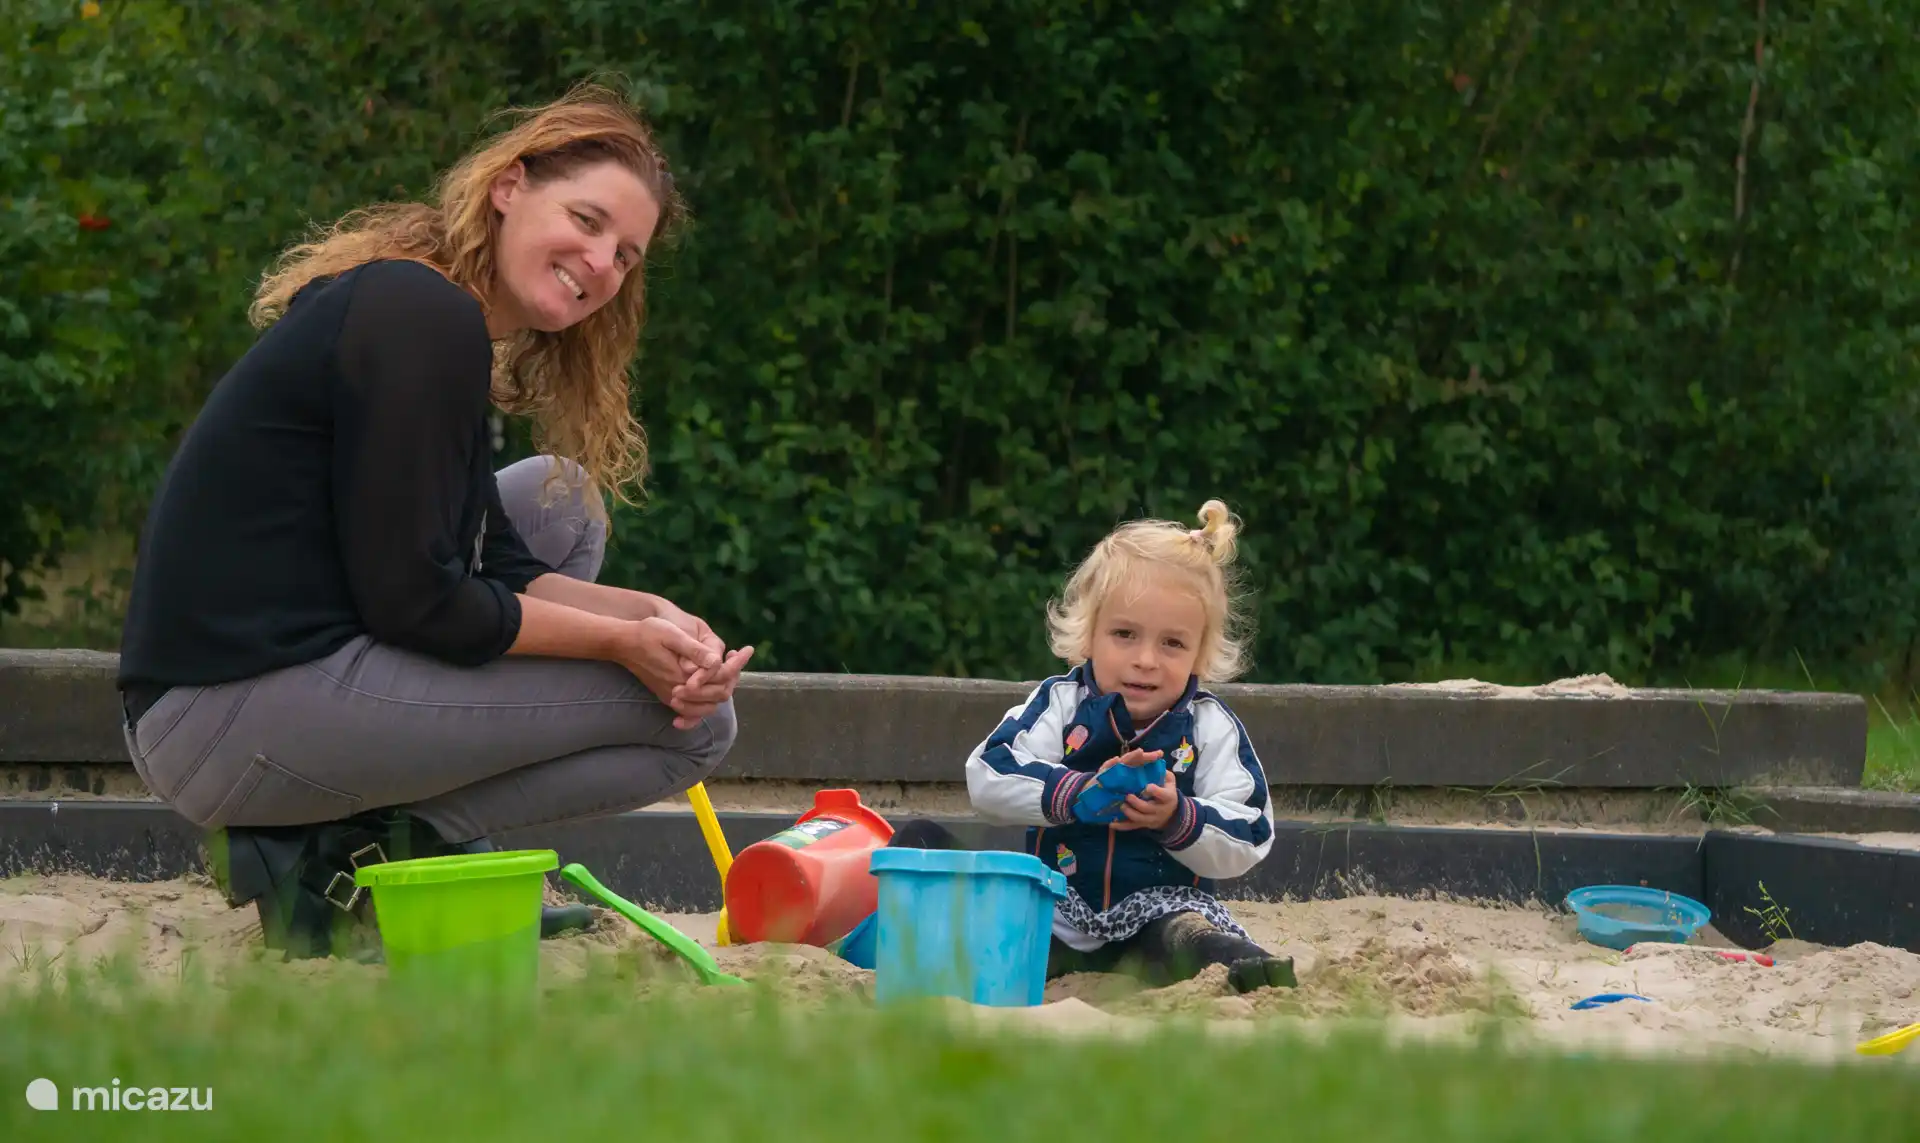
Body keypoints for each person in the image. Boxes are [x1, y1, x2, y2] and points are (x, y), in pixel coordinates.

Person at [115, 84, 753, 960]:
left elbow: (502, 564)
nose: (602, 262)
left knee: (561, 497)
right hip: (224, 717)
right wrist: (618, 649)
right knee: (697, 727)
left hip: (239, 695)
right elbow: (418, 602)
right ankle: (355, 857)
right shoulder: (423, 318)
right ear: (509, 187)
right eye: (587, 219)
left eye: (627, 255)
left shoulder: (435, 315)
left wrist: (655, 620)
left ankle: (370, 844)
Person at [956, 500, 1295, 992]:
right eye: (1124, 634)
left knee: (1189, 935)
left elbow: (1252, 831)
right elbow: (988, 773)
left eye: (1172, 644)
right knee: (929, 843)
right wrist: (1074, 792)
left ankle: (1239, 963)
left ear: (1200, 652)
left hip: (1157, 916)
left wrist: (1180, 817)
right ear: (1089, 635)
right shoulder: (1060, 703)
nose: (1145, 660)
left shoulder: (1209, 725)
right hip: (1055, 911)